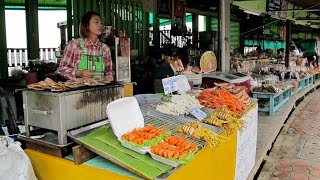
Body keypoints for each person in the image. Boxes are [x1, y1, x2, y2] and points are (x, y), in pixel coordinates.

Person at [57, 11, 113, 81]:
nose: (100, 25)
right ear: (87, 25)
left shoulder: (105, 49)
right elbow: (62, 69)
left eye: (101, 23)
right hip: (78, 90)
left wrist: (107, 80)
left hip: (100, 90)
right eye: (96, 22)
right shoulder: (74, 45)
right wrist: (78, 73)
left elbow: (109, 72)